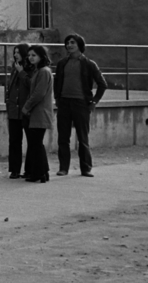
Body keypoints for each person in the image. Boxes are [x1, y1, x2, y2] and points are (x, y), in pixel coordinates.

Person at [53, 33, 107, 177]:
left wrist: (94, 101)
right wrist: (57, 98)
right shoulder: (62, 63)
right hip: (64, 103)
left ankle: (86, 168)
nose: (69, 45)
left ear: (80, 45)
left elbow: (102, 84)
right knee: (63, 138)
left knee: (83, 138)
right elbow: (56, 82)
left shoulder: (89, 64)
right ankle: (63, 168)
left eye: (72, 43)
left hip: (81, 104)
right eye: (67, 43)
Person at [20, 44, 54, 183]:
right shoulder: (40, 71)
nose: (30, 58)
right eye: (29, 55)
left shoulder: (43, 71)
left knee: (36, 143)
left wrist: (26, 107)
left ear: (41, 56)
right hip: (38, 112)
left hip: (40, 112)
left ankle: (39, 173)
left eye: (34, 55)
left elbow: (38, 93)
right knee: (36, 143)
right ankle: (42, 172)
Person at [3, 43, 32, 179]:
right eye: (14, 52)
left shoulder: (30, 69)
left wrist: (21, 72)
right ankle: (14, 169)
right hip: (14, 109)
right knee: (14, 141)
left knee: (31, 141)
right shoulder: (14, 68)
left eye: (18, 53)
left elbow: (31, 85)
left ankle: (29, 169)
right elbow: (10, 87)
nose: (15, 55)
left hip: (26, 110)